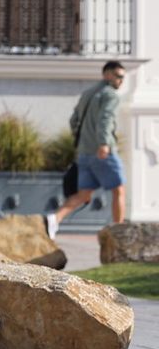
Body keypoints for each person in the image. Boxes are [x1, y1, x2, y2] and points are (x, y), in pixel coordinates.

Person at [49, 60, 128, 237]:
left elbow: (73, 120)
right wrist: (103, 143)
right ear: (107, 74)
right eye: (118, 76)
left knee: (84, 194)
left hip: (84, 152)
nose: (121, 81)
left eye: (123, 77)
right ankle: (119, 233)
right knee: (119, 190)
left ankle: (54, 219)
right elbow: (105, 120)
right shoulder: (111, 95)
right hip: (102, 151)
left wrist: (84, 139)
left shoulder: (87, 93)